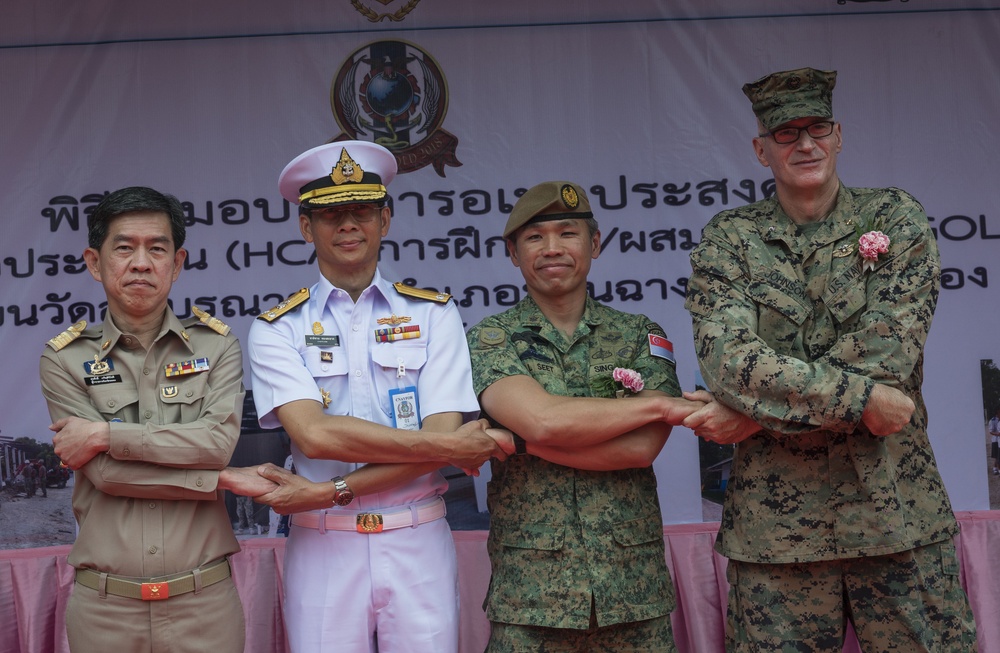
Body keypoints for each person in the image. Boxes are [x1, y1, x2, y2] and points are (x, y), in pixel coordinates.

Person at [682, 67, 977, 651]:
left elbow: (888, 353)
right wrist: (864, 400)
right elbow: (729, 363)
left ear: (839, 135)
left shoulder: (895, 218)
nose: (805, 144)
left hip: (896, 517)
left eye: (817, 127)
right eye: (786, 133)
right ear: (760, 149)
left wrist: (757, 413)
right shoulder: (729, 238)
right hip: (776, 538)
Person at [246, 140, 507, 653]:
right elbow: (315, 437)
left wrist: (328, 490)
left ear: (385, 220)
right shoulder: (276, 328)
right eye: (330, 214)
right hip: (323, 546)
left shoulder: (433, 314)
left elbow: (439, 435)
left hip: (417, 539)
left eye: (361, 211)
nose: (347, 225)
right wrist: (449, 448)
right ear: (306, 227)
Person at [466, 181, 704, 652]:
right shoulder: (490, 339)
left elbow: (640, 449)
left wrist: (522, 443)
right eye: (534, 238)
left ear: (594, 243)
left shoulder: (640, 335)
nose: (552, 249)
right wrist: (657, 405)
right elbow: (543, 421)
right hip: (532, 596)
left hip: (632, 592)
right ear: (512, 253)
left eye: (567, 233)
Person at [39, 186, 276, 653]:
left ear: (178, 262)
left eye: (157, 248)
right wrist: (222, 480)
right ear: (94, 261)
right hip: (105, 608)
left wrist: (107, 432)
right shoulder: (64, 358)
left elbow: (214, 444)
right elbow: (105, 473)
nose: (141, 263)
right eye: (124, 248)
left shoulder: (215, 346)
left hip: (204, 602)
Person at [990, 409, 1000, 475]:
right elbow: (991, 431)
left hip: (999, 440)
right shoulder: (992, 420)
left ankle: (996, 468)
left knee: (998, 455)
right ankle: (995, 468)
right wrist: (997, 434)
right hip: (995, 440)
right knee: (996, 455)